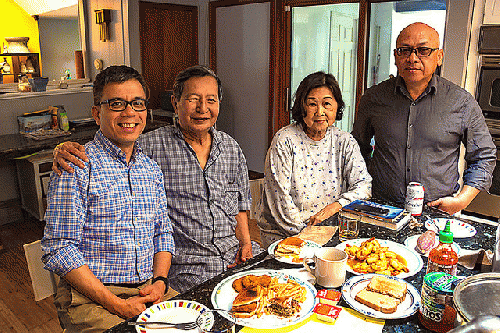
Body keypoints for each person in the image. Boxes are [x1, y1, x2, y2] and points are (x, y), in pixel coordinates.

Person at [51, 65, 261, 293]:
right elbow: (114, 145)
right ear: (175, 102)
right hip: (191, 270)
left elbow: (240, 205)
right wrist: (62, 149)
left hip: (236, 258)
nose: (203, 108)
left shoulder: (231, 148)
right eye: (193, 99)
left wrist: (246, 244)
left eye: (211, 100)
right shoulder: (149, 148)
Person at [41, 65, 176, 332]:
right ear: (96, 113)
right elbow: (58, 248)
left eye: (137, 103)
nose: (129, 113)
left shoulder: (151, 169)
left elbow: (163, 233)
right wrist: (115, 304)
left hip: (148, 289)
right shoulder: (76, 166)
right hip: (91, 297)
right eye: (116, 104)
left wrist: (160, 281)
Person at [352, 22, 496, 215]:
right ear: (396, 56)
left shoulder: (461, 102)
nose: (412, 58)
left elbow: (484, 156)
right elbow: (356, 147)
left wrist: (461, 201)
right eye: (404, 50)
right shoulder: (374, 98)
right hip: (381, 208)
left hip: (439, 212)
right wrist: (368, 181)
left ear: (439, 57)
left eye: (423, 50)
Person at [259, 72, 372, 248]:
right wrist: (311, 238)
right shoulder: (285, 141)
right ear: (302, 106)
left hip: (330, 232)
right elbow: (280, 205)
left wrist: (336, 206)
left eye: (327, 104)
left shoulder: (344, 141)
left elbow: (364, 186)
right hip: (286, 235)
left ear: (337, 107)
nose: (320, 112)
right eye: (312, 104)